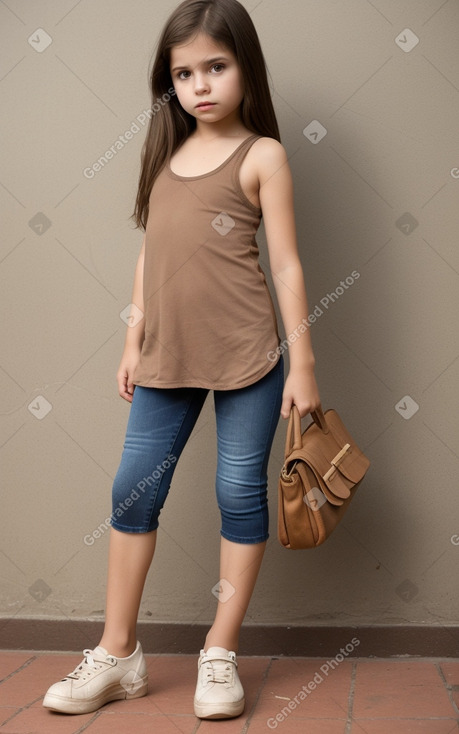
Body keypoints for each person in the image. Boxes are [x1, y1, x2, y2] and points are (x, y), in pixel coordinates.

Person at [43, 0, 320, 721]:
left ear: (244, 69)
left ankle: (219, 652)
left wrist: (303, 364)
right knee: (132, 493)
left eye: (215, 68)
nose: (199, 85)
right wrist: (132, 337)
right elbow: (150, 253)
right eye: (183, 73)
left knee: (237, 494)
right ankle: (117, 653)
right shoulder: (163, 154)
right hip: (168, 353)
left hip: (249, 356)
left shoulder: (262, 155)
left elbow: (285, 266)